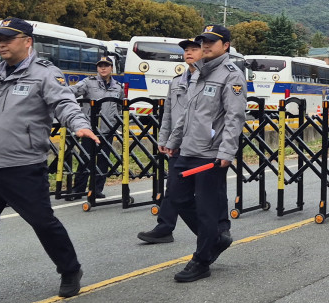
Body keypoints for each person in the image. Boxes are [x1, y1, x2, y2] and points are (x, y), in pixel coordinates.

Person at [0, 18, 96, 303]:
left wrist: (79, 125)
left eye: (8, 38)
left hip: (23, 166)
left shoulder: (45, 74)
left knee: (42, 222)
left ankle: (70, 268)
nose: (1, 43)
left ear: (27, 42)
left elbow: (65, 104)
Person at [166, 24, 248, 283]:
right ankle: (214, 238)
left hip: (211, 154)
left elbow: (235, 117)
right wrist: (173, 139)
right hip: (188, 149)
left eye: (212, 41)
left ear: (226, 46)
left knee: (206, 208)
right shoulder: (197, 73)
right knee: (177, 198)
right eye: (203, 41)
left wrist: (227, 151)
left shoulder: (231, 75)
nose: (205, 45)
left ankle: (202, 260)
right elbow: (188, 112)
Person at [138, 37, 203, 244]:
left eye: (194, 49)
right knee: (174, 189)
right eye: (186, 50)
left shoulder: (207, 81)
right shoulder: (176, 82)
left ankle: (212, 232)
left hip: (200, 147)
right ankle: (165, 227)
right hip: (177, 145)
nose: (189, 53)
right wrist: (163, 139)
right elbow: (167, 114)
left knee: (204, 194)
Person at [72, 56, 124, 198]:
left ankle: (96, 189)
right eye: (100, 65)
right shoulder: (88, 83)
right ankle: (78, 189)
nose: (103, 68)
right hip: (90, 128)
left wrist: (115, 123)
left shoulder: (118, 87)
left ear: (111, 68)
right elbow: (73, 91)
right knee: (85, 158)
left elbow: (120, 106)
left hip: (108, 129)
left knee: (103, 160)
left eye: (106, 65)